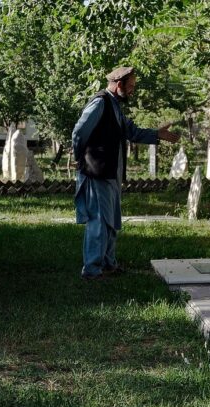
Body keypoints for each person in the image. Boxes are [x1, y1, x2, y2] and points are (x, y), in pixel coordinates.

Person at [72, 66, 180, 280]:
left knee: (111, 220)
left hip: (111, 174)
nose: (132, 91)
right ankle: (92, 270)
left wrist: (157, 134)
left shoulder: (115, 106)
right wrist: (80, 159)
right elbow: (79, 133)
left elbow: (131, 132)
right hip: (97, 172)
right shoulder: (100, 103)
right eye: (131, 86)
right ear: (119, 84)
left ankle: (108, 264)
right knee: (99, 220)